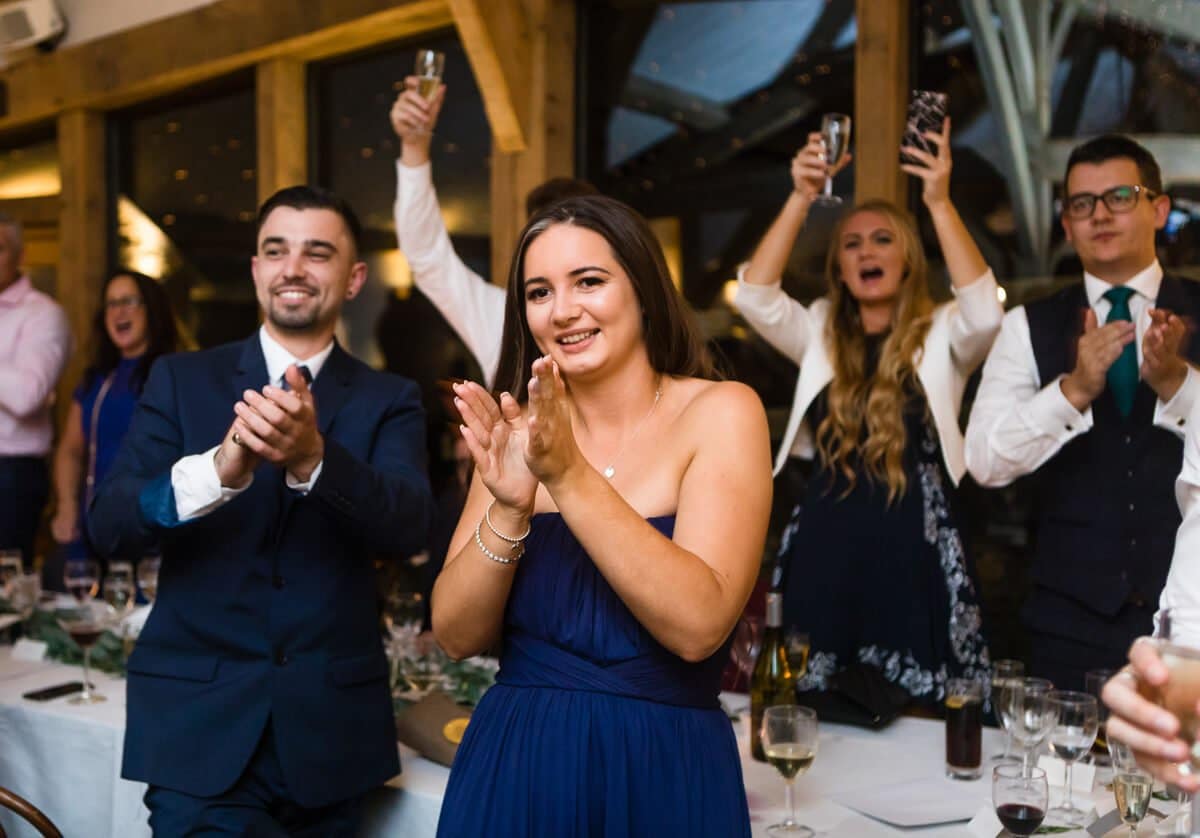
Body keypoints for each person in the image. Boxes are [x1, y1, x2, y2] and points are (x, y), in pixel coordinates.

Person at [88, 186, 434, 834]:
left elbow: (410, 523)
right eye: (276, 251)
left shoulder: (390, 398)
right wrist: (215, 472)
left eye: (317, 253)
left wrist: (315, 460)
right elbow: (109, 524)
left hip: (331, 738)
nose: (293, 268)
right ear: (255, 270)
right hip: (198, 732)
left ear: (354, 278)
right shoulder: (180, 379)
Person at [431, 195, 772, 836]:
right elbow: (455, 635)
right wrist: (509, 506)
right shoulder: (517, 434)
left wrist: (566, 476)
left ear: (642, 289)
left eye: (588, 281)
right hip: (516, 767)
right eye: (539, 292)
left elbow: (700, 625)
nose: (563, 310)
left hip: (663, 769)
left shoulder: (723, 412)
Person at [735, 120, 1002, 704]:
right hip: (826, 547)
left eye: (882, 239)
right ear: (839, 268)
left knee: (922, 717)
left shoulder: (943, 331)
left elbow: (985, 313)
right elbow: (754, 295)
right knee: (814, 712)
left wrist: (936, 200)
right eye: (852, 243)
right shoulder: (819, 330)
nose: (866, 251)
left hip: (915, 551)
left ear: (907, 260)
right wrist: (803, 195)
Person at [966, 134, 1200, 690]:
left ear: (1159, 209)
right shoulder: (1028, 326)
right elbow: (984, 461)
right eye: (1080, 203)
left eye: (1120, 196)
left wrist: (1177, 383)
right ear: (1066, 226)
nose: (1100, 214)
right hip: (1067, 623)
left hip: (1189, 624)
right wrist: (1071, 390)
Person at [390, 75, 597, 386]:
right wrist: (414, 146)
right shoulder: (501, 318)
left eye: (587, 279)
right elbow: (427, 256)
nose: (564, 312)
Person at [49, 270, 179, 574]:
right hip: (93, 527)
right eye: (111, 304)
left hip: (151, 526)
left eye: (129, 301)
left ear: (152, 309)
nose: (118, 311)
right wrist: (66, 505)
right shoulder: (97, 379)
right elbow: (70, 450)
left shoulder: (173, 374)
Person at [0, 213, 71, 571]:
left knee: (6, 592)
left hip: (11, 473)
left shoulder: (44, 314)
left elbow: (28, 394)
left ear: (20, 255)